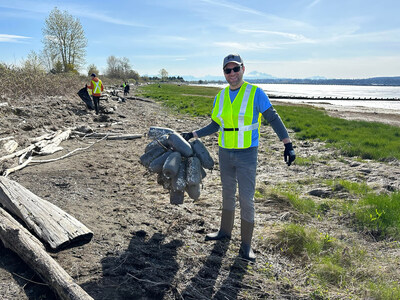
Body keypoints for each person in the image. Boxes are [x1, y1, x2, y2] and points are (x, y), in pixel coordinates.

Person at [182, 54, 296, 262]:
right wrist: (193, 134)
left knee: (246, 198)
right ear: (224, 73)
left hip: (247, 153)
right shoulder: (221, 96)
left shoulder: (255, 93)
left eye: (236, 69)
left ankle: (246, 245)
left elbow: (273, 117)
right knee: (227, 193)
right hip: (225, 152)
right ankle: (224, 232)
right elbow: (216, 125)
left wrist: (287, 144)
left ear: (243, 69)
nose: (232, 74)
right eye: (228, 70)